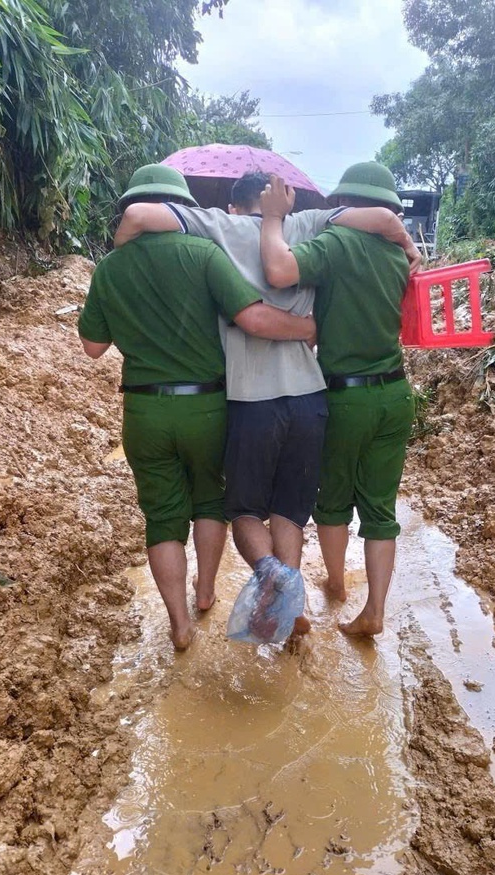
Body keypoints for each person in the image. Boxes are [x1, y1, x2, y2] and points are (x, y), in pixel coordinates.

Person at [113, 170, 420, 636]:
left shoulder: (217, 226)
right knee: (289, 511)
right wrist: (410, 245)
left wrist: (121, 252)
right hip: (310, 396)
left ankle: (272, 576)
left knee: (243, 512)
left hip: (248, 400)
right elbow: (380, 217)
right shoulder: (312, 224)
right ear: (283, 201)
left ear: (235, 205)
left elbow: (136, 215)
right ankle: (291, 606)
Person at [79, 164, 316, 651]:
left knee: (163, 517)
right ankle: (205, 591)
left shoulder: (109, 268)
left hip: (144, 411)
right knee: (210, 501)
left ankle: (181, 624)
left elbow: (92, 346)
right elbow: (250, 315)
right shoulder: (203, 252)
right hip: (206, 405)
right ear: (179, 206)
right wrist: (312, 328)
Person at [260, 163, 416, 639]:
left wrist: (270, 221)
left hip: (345, 396)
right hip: (395, 394)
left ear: (345, 203)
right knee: (381, 507)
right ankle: (375, 609)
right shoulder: (397, 256)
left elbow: (281, 269)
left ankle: (335, 584)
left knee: (332, 502)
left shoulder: (337, 245)